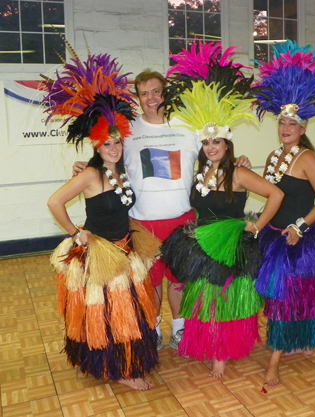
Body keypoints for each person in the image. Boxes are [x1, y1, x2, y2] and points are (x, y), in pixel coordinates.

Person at [73, 58, 251, 351]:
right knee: (151, 283)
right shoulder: (128, 130)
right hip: (144, 222)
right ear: (138, 98)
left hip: (181, 219)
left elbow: (215, 148)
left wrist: (239, 160)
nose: (151, 98)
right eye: (144, 93)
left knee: (179, 281)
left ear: (164, 93)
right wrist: (83, 165)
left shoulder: (187, 126)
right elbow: (107, 152)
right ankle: (153, 328)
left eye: (156, 91)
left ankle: (179, 329)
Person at [45, 53, 158, 390]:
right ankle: (122, 370)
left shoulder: (120, 171)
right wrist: (74, 233)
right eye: (107, 143)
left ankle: (125, 363)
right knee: (109, 314)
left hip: (126, 250)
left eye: (118, 142)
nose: (113, 147)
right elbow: (55, 201)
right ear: (97, 144)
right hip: (101, 256)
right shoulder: (91, 174)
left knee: (131, 312)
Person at [161, 73, 284, 377]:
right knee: (203, 298)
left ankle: (222, 352)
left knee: (225, 300)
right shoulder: (199, 172)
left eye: (216, 141)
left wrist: (256, 227)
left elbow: (275, 194)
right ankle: (206, 342)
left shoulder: (238, 174)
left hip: (230, 245)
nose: (210, 147)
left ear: (227, 143)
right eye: (206, 142)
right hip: (202, 242)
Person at [252, 40, 315, 388]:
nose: (285, 128)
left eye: (292, 123)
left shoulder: (308, 158)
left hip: (301, 236)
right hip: (275, 233)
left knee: (288, 297)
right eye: (281, 122)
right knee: (287, 296)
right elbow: (271, 193)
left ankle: (274, 363)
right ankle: (300, 340)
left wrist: (300, 227)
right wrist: (244, 169)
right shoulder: (275, 156)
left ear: (303, 128)